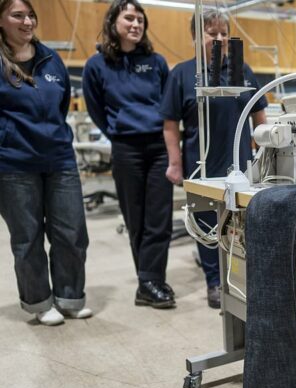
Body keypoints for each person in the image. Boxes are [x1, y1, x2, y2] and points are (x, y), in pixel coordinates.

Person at [160, 10, 267, 309]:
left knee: (243, 224)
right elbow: (170, 124)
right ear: (196, 37)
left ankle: (244, 278)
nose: (218, 38)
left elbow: (259, 114)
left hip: (242, 164)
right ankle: (214, 282)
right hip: (201, 163)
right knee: (206, 224)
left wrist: (262, 151)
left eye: (223, 32)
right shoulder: (182, 74)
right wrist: (175, 163)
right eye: (211, 33)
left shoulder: (242, 70)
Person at [0, 0, 92, 325]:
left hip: (59, 160)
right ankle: (39, 302)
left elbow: (62, 103)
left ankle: (70, 296)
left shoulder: (51, 60)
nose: (27, 21)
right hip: (13, 165)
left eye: (30, 15)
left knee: (71, 232)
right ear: (1, 19)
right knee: (27, 238)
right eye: (17, 15)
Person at [82, 0, 174, 308]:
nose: (136, 24)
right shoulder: (97, 65)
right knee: (136, 219)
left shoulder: (157, 62)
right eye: (129, 18)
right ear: (113, 23)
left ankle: (151, 282)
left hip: (159, 147)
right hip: (126, 148)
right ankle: (148, 282)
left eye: (140, 20)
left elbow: (168, 104)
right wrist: (116, 133)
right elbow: (95, 107)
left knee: (158, 219)